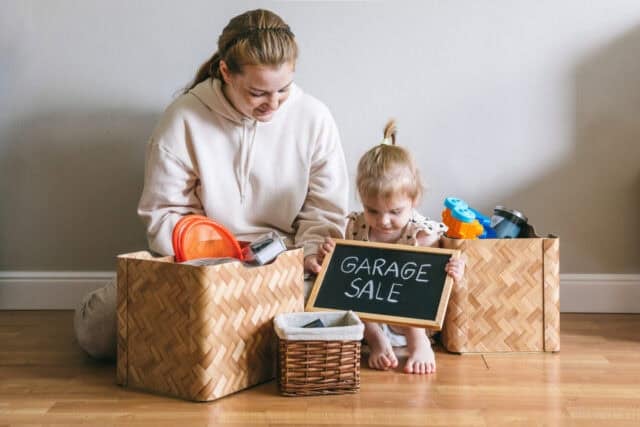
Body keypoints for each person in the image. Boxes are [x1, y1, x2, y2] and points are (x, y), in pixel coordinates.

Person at [74, 9, 349, 359]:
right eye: (258, 93)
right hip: (201, 265)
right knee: (98, 330)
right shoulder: (184, 118)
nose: (274, 103)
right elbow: (164, 214)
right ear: (226, 72)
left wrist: (310, 254)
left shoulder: (315, 118)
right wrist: (219, 262)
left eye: (283, 89)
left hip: (284, 266)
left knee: (337, 319)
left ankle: (218, 340)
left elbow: (324, 211)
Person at [316, 120, 465, 375]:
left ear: (413, 200)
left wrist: (455, 270)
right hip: (369, 319)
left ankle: (419, 345)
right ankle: (376, 341)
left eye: (395, 212)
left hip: (409, 322)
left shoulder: (422, 234)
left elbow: (434, 287)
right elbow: (347, 277)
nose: (383, 221)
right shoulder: (355, 227)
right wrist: (331, 256)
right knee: (352, 297)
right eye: (372, 210)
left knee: (412, 293)